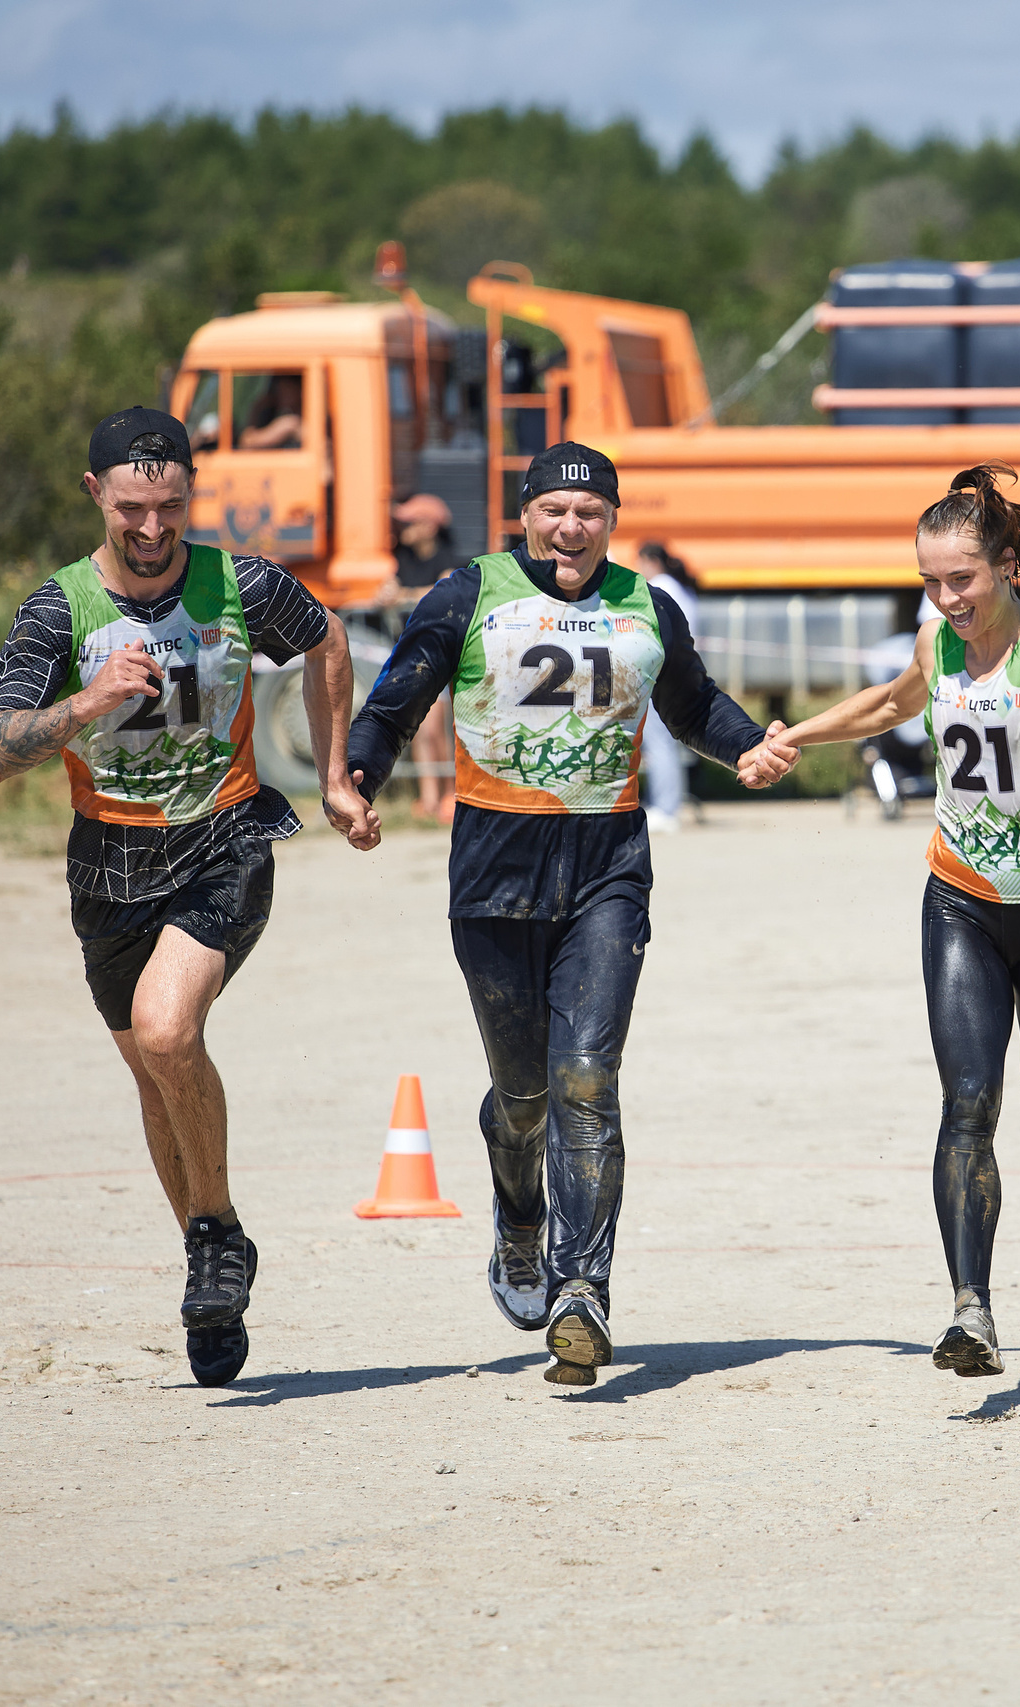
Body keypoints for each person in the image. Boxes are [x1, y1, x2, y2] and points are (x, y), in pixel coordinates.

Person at [345, 443, 800, 1386]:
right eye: (553, 509)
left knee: (587, 1078)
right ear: (524, 514)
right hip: (493, 873)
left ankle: (580, 1290)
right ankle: (520, 1219)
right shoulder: (466, 594)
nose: (570, 528)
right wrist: (355, 778)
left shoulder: (647, 604)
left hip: (607, 869)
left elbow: (694, 706)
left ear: (612, 520)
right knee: (523, 1099)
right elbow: (395, 702)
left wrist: (749, 747)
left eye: (589, 513)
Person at [0, 406, 378, 1390]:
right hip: (107, 867)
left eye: (170, 506)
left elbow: (326, 643)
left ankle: (211, 1238)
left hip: (225, 842)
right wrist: (86, 704)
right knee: (156, 1072)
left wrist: (334, 775)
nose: (152, 529)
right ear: (94, 495)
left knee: (164, 1033)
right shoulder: (59, 609)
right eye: (131, 509)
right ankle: (216, 1246)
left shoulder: (240, 584)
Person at [777, 465, 1020, 1377]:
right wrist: (792, 738)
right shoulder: (936, 645)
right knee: (968, 1101)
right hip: (959, 899)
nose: (947, 599)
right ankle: (971, 1310)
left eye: (963, 580)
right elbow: (890, 703)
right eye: (930, 581)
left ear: (1003, 569)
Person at [386, 494, 460, 826]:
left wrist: (401, 594)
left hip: (442, 655)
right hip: (415, 656)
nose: (400, 527)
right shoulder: (401, 558)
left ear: (429, 527)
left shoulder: (448, 559)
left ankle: (449, 794)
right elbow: (388, 590)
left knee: (437, 730)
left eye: (409, 522)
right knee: (419, 727)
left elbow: (441, 590)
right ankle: (429, 798)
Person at [633, 543, 701, 832]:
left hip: (661, 671)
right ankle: (667, 804)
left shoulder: (659, 587)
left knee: (658, 743)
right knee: (665, 743)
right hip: (679, 669)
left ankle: (666, 808)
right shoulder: (679, 587)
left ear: (649, 561)